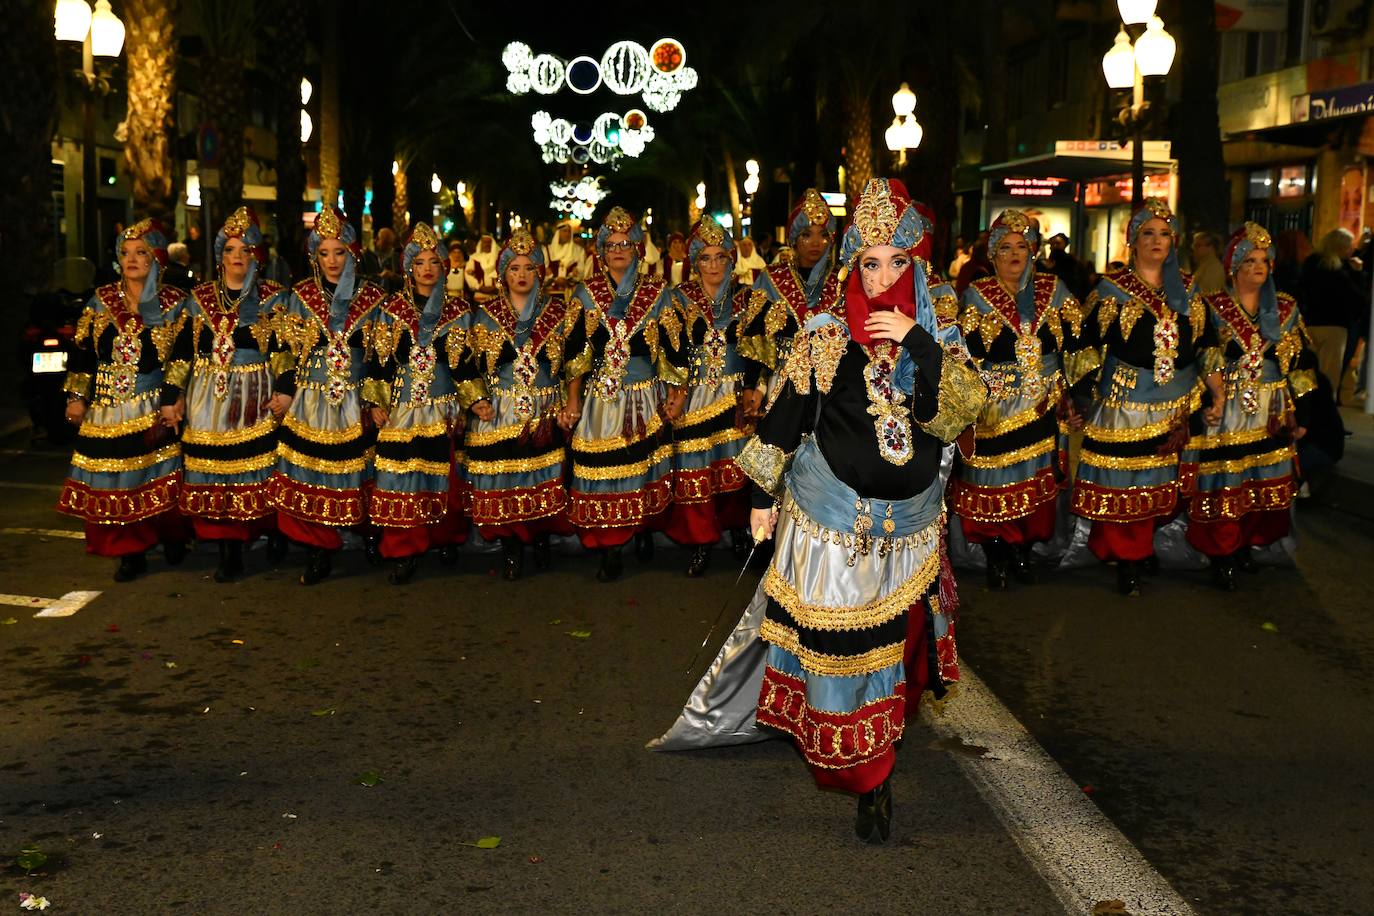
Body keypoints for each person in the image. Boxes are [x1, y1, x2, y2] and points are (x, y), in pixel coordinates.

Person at [737, 177, 986, 841]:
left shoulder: (938, 336)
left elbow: (962, 412)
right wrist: (763, 500)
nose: (880, 279)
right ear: (853, 267)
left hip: (909, 535)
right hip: (835, 528)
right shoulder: (823, 336)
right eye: (868, 264)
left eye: (896, 263)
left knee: (899, 655)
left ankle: (880, 768)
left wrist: (918, 341)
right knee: (845, 655)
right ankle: (868, 777)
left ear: (917, 266)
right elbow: (784, 418)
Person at [1070, 198, 1225, 596]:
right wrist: (1080, 398)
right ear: (1133, 241)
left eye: (1164, 234)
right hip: (1126, 405)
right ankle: (1129, 558)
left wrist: (1217, 392)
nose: (1157, 241)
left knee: (1166, 485)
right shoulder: (1111, 291)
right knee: (1124, 484)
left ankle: (1139, 549)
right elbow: (1086, 347)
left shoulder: (1189, 290)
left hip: (1179, 406)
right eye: (1148, 234)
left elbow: (1207, 345)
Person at [949, 210, 1085, 589]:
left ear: (1034, 250)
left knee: (1035, 479)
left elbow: (1075, 347)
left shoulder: (1053, 290)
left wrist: (1071, 396)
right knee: (991, 480)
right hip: (994, 406)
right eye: (1004, 247)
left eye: (1021, 246)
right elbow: (966, 355)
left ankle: (1023, 550)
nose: (1014, 254)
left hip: (1042, 403)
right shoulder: (976, 295)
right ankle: (996, 551)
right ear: (992, 255)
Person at [58, 219, 193, 581]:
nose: (132, 260)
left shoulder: (175, 304)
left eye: (141, 253)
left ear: (157, 258)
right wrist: (76, 397)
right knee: (113, 479)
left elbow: (181, 357)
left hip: (153, 404)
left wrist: (172, 397)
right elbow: (83, 354)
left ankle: (171, 535)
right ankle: (128, 550)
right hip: (106, 407)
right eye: (126, 253)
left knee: (157, 476)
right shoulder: (101, 301)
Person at [1188, 224, 1318, 589]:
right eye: (1250, 260)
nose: (1258, 266)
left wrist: (1303, 413)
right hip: (1228, 406)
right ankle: (1221, 552)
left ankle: (1246, 543)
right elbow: (1203, 356)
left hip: (1271, 407)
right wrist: (1207, 399)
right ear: (1234, 266)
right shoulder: (1212, 307)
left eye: (1264, 260)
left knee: (1262, 482)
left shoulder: (1286, 309)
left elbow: (1302, 363)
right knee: (1225, 480)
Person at [561, 206, 688, 581]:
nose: (619, 250)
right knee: (604, 471)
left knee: (643, 466)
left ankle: (643, 528)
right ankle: (610, 546)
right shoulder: (586, 294)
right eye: (611, 245)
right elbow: (575, 352)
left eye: (626, 244)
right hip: (602, 397)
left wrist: (677, 391)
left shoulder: (656, 292)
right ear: (601, 251)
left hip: (644, 395)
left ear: (637, 248)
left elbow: (672, 346)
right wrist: (573, 398)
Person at [268, 207, 389, 585]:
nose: (333, 261)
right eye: (324, 253)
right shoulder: (300, 296)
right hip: (312, 398)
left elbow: (384, 357)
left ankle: (370, 536)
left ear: (352, 252)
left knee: (363, 474)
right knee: (311, 473)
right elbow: (283, 348)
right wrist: (286, 392)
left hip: (356, 399)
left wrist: (375, 399)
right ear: (314, 256)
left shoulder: (373, 297)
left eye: (340, 252)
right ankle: (319, 548)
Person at [174, 206, 288, 582]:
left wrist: (285, 391)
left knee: (252, 469)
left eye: (245, 250)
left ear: (257, 254)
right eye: (230, 250)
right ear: (219, 255)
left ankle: (264, 533)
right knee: (213, 471)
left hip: (253, 393)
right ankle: (226, 546)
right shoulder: (200, 298)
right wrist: (173, 395)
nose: (237, 257)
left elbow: (285, 350)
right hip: (207, 393)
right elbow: (183, 352)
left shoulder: (272, 298)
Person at [369, 223, 484, 584]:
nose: (427, 269)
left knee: (442, 475)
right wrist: (375, 401)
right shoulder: (392, 310)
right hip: (402, 405)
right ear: (409, 267)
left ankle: (443, 536)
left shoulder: (458, 312)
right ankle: (403, 549)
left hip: (442, 403)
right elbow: (380, 359)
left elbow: (465, 362)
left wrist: (474, 400)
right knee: (400, 475)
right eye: (419, 262)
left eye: (434, 261)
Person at [465, 228, 579, 579]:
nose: (521, 275)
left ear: (540, 272)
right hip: (501, 409)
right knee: (505, 478)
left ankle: (541, 535)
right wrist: (476, 400)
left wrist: (569, 403)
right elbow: (469, 364)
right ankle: (512, 543)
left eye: (529, 268)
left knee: (542, 475)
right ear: (503, 274)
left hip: (545, 408)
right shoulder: (485, 314)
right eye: (514, 268)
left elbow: (574, 362)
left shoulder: (558, 312)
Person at [664, 215, 758, 576]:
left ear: (732, 259)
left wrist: (752, 389)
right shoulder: (678, 299)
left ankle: (738, 531)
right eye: (705, 257)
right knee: (695, 470)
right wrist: (677, 390)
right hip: (693, 395)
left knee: (736, 468)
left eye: (721, 257)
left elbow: (754, 350)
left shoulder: (746, 297)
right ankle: (701, 541)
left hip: (734, 396)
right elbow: (670, 351)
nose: (714, 265)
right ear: (694, 261)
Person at [738, 188, 843, 424]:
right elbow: (757, 338)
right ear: (794, 238)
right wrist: (751, 386)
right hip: (783, 383)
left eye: (823, 234)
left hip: (833, 386)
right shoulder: (771, 279)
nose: (816, 242)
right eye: (807, 234)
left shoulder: (843, 281)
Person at [1300, 228, 1367, 401]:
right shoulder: (1340, 269)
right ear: (1341, 247)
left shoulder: (1311, 263)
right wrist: (1358, 273)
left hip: (1310, 323)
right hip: (1335, 326)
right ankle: (1325, 413)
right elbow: (1356, 298)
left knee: (1308, 372)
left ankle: (1306, 410)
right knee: (1329, 374)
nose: (1351, 250)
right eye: (1348, 246)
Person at [546, 221, 583, 293]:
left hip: (571, 292)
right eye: (564, 231)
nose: (567, 234)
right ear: (558, 233)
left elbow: (581, 270)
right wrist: (552, 278)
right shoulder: (548, 250)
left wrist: (574, 275)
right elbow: (543, 270)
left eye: (569, 231)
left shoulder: (578, 250)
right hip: (550, 292)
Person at [465, 234, 500, 303]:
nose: (486, 244)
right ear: (481, 243)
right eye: (484, 242)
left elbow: (503, 273)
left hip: (496, 296)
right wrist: (478, 287)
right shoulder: (474, 258)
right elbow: (468, 274)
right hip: (479, 296)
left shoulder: (499, 258)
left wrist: (497, 287)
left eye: (488, 242)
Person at [1190, 231, 1225, 296]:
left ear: (1210, 247)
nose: (1193, 248)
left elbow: (1209, 297)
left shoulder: (1214, 269)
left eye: (1197, 245)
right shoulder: (1204, 266)